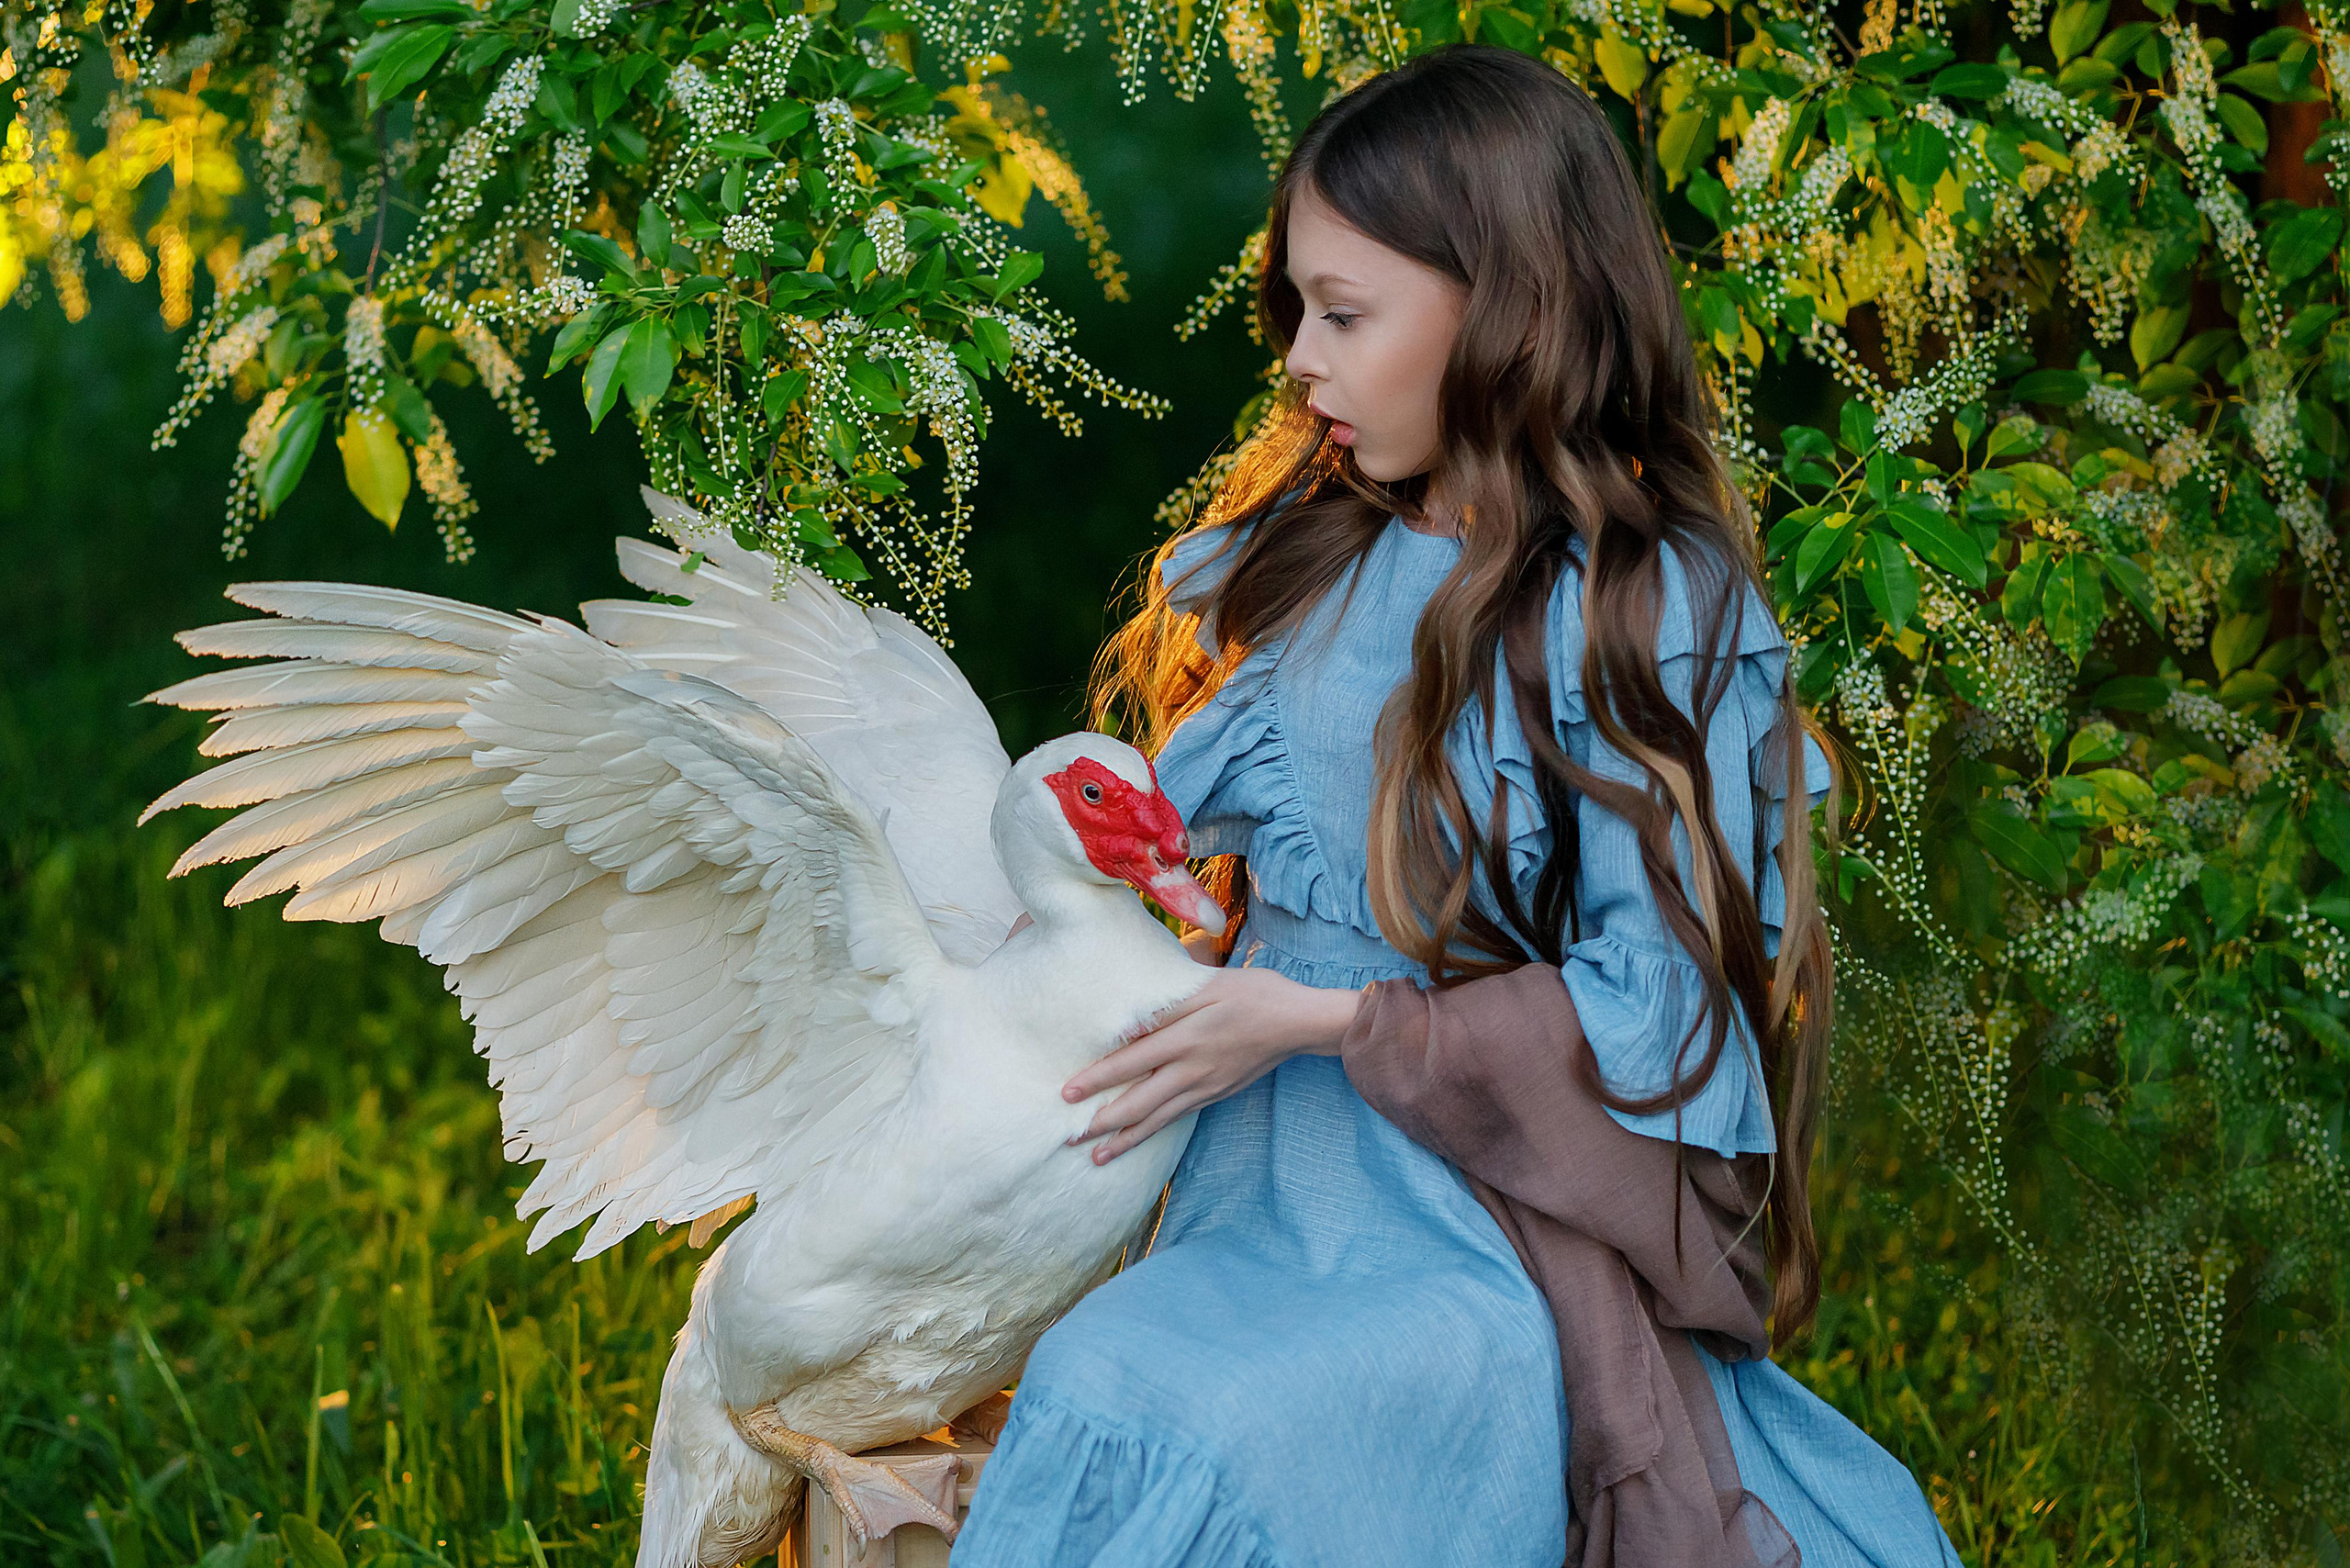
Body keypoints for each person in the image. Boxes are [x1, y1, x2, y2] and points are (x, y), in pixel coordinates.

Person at [950, 44, 1957, 1568]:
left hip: (1486, 1214)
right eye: (1294, 309)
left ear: (1506, 311)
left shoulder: (1641, 608)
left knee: (1255, 1429)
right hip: (1257, 1184)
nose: (1300, 359)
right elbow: (1167, 865)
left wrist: (1333, 1023)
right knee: (1114, 1384)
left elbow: (1663, 1009)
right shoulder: (1298, 551)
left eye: (1347, 316)